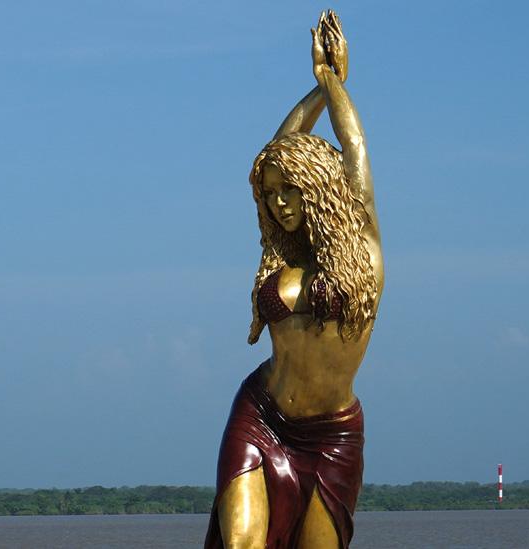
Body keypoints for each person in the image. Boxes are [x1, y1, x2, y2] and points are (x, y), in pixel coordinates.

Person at [205, 10, 384, 549]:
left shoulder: (365, 257)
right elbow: (277, 150)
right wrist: (315, 89)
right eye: (271, 194)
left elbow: (354, 153)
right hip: (261, 415)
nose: (279, 205)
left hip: (332, 438)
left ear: (320, 190)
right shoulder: (283, 256)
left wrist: (333, 83)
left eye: (291, 192)